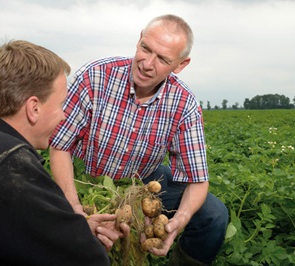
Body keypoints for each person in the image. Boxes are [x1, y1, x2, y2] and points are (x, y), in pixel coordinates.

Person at [50, 14, 229, 265]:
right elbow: (60, 145)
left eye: (163, 59)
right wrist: (72, 204)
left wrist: (180, 220)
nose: (147, 64)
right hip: (84, 179)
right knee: (83, 246)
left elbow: (197, 179)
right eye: (146, 49)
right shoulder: (96, 76)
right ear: (139, 40)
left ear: (180, 64)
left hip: (143, 181)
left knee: (214, 215)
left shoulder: (184, 103)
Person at [0, 40, 112, 265]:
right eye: (60, 104)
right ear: (34, 108)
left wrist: (73, 228)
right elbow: (87, 260)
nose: (63, 116)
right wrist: (84, 240)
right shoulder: (9, 162)